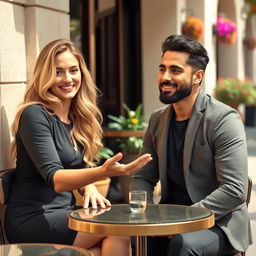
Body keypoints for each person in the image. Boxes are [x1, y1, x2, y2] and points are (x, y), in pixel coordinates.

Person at [4, 39, 152, 256]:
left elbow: (77, 166)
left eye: (73, 70)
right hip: (33, 218)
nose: (68, 79)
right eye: (58, 72)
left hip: (64, 214)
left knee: (103, 247)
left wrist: (89, 187)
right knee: (117, 229)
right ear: (45, 76)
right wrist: (102, 172)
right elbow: (56, 179)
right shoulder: (34, 115)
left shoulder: (77, 118)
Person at [130, 34, 252, 255]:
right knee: (136, 239)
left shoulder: (224, 119)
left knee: (183, 245)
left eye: (175, 70)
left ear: (197, 77)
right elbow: (142, 176)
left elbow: (234, 190)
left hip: (218, 223)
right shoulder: (157, 119)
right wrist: (145, 215)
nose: (164, 77)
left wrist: (184, 220)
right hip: (168, 219)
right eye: (161, 69)